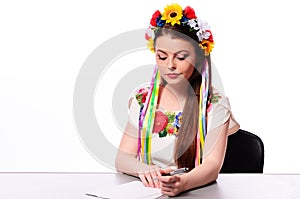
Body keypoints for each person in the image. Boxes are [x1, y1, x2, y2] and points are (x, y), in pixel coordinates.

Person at [115, 3, 240, 196]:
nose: (170, 65)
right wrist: (143, 169)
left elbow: (212, 165)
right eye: (162, 57)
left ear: (199, 58)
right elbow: (123, 157)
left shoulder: (213, 104)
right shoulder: (144, 99)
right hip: (151, 192)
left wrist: (183, 183)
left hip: (193, 191)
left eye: (181, 57)